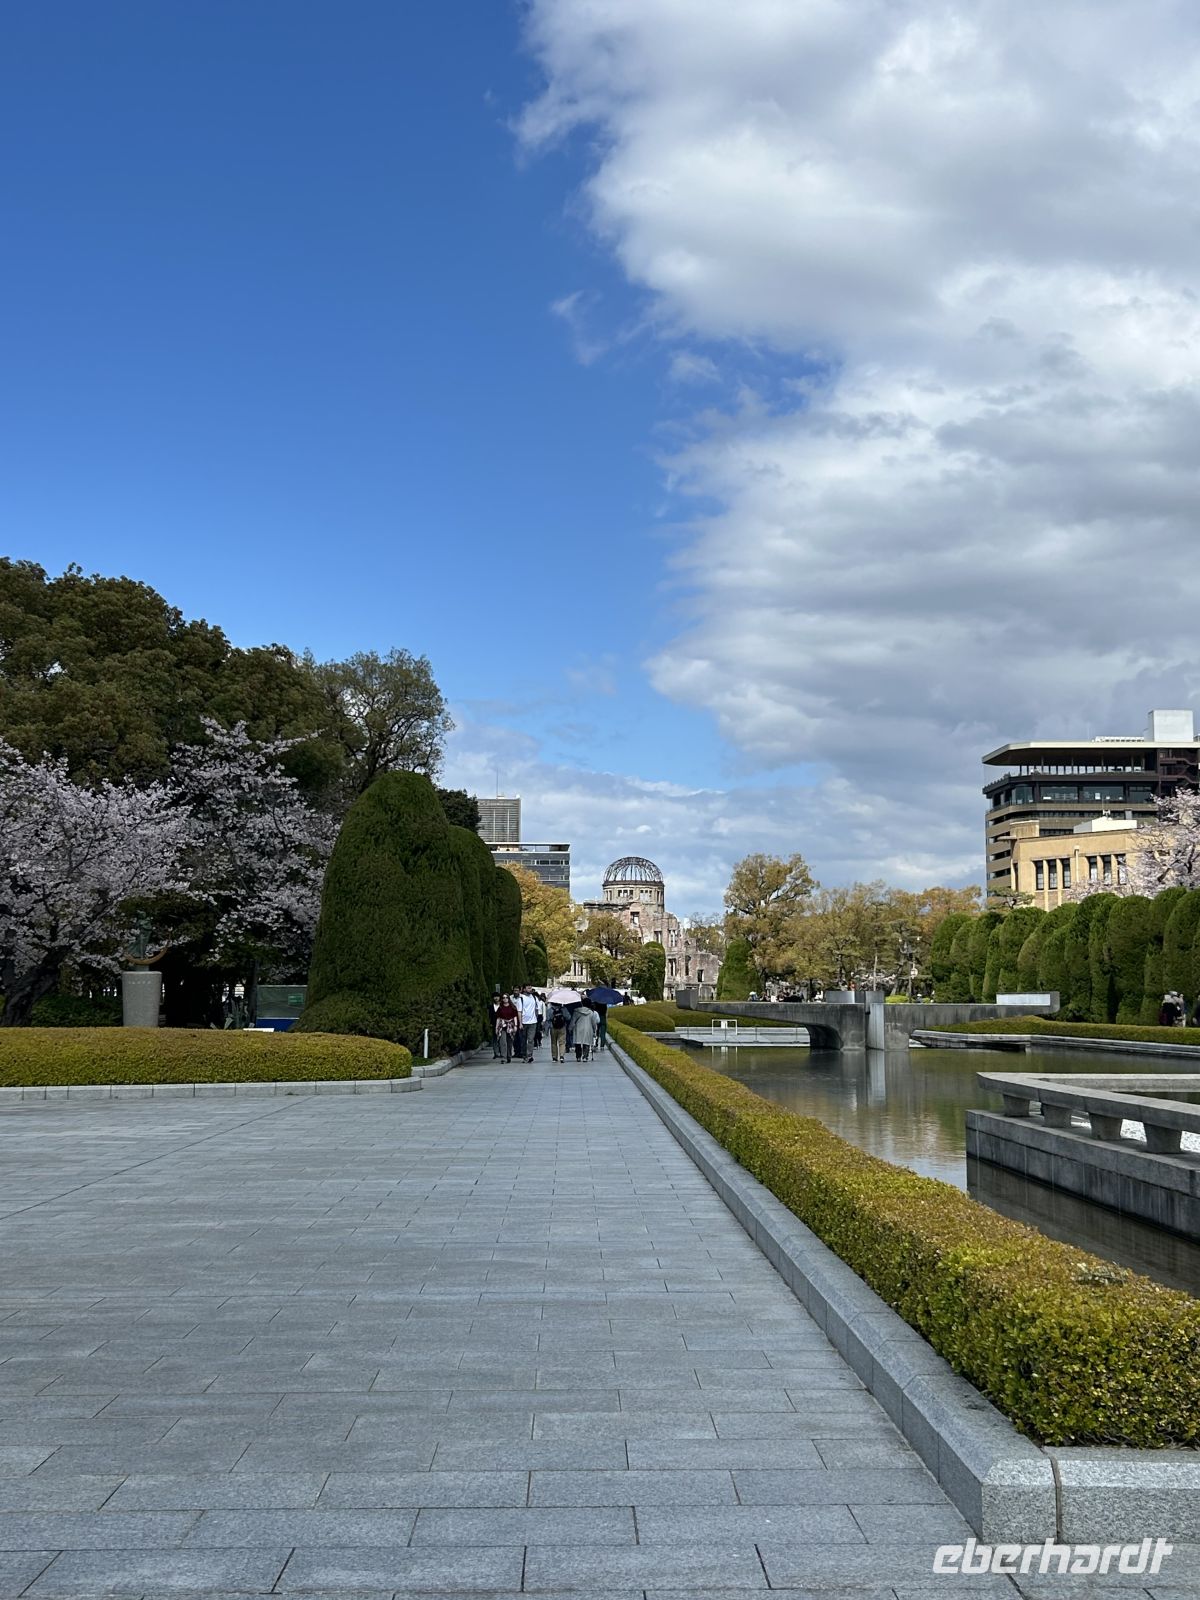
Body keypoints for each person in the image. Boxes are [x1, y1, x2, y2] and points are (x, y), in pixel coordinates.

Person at [516, 987, 538, 1062]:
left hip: (533, 1022)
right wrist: (520, 1023)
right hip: (524, 1022)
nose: (530, 989)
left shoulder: (534, 997)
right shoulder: (521, 999)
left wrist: (537, 1018)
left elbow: (536, 1008)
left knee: (531, 1039)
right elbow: (519, 1011)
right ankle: (524, 1055)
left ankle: (530, 1055)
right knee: (523, 1040)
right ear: (524, 989)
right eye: (528, 988)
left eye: (531, 988)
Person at [495, 993, 520, 1062]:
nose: (505, 999)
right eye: (503, 998)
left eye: (506, 997)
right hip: (502, 1025)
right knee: (503, 1042)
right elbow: (498, 1018)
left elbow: (515, 1017)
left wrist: (515, 1026)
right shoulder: (500, 1008)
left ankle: (509, 1056)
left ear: (509, 999)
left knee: (509, 1042)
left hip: (510, 1025)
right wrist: (496, 1027)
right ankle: (503, 1057)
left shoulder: (513, 1007)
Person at [487, 989, 503, 1059]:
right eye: (494, 997)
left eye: (497, 996)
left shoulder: (502, 1006)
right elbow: (489, 1016)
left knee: (502, 1039)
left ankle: (502, 1052)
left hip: (502, 1024)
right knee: (495, 1039)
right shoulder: (490, 1007)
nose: (496, 998)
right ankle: (496, 1053)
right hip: (493, 1024)